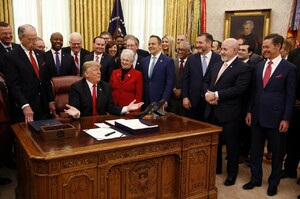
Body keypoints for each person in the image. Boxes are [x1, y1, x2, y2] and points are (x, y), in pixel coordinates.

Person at [243, 33, 297, 197]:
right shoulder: (259, 66)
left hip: (277, 118)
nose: (263, 49)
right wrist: (250, 111)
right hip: (257, 116)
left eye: (267, 47)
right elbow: (254, 91)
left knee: (277, 154)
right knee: (256, 152)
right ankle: (255, 179)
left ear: (278, 46)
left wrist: (286, 118)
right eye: (263, 46)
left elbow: (290, 96)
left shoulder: (289, 68)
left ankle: (273, 183)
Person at [203, 38, 252, 185]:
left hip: (230, 114)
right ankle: (215, 169)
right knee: (214, 144)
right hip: (211, 110)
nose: (221, 51)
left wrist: (216, 95)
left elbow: (239, 89)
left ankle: (232, 174)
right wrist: (207, 95)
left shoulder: (243, 68)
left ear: (235, 51)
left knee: (231, 146)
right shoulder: (216, 64)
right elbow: (206, 81)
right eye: (221, 48)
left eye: (225, 49)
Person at [3, 24, 55, 123]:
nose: (34, 42)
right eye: (31, 39)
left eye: (35, 39)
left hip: (43, 107)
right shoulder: (11, 57)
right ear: (21, 38)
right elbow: (13, 86)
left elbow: (46, 81)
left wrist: (51, 101)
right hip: (25, 108)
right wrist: (25, 105)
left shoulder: (41, 54)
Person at [64, 61, 143, 117]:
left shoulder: (105, 86)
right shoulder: (76, 87)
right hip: (84, 122)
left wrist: (127, 108)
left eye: (100, 70)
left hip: (101, 122)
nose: (99, 72)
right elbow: (75, 109)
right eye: (96, 70)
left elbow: (110, 108)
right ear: (86, 74)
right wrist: (77, 114)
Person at [182, 33, 221, 121]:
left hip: (211, 102)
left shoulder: (218, 59)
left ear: (209, 43)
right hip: (192, 101)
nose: (197, 45)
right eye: (197, 43)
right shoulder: (191, 59)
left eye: (200, 43)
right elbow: (185, 79)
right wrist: (185, 97)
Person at [141, 35, 175, 108]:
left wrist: (165, 99)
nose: (150, 46)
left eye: (153, 44)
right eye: (149, 44)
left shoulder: (168, 61)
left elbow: (169, 83)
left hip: (160, 100)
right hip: (146, 100)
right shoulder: (144, 61)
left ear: (160, 46)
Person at [169, 41, 190, 116]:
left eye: (183, 50)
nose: (180, 52)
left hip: (186, 100)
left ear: (188, 52)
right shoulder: (171, 62)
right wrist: (174, 89)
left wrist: (183, 92)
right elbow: (168, 78)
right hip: (172, 99)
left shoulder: (192, 63)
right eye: (178, 49)